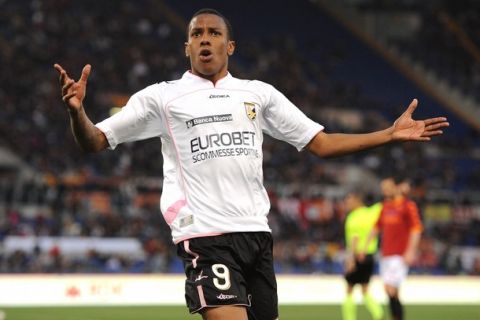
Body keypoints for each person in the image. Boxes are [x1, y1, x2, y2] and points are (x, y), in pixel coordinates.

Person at [53, 8, 448, 320]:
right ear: (187, 48)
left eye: (214, 34)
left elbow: (321, 143)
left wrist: (388, 134)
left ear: (231, 46)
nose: (205, 40)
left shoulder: (258, 94)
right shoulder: (162, 98)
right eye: (196, 34)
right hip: (205, 235)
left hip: (256, 235)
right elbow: (95, 141)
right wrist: (77, 113)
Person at [362, 177, 423, 320]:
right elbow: (376, 227)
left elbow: (416, 229)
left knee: (391, 289)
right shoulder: (385, 206)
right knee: (388, 290)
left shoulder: (408, 206)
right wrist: (364, 247)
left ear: (396, 186)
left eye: (387, 187)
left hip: (400, 254)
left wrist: (411, 251)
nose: (385, 191)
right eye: (383, 188)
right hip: (386, 254)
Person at [342, 191, 384, 320]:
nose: (346, 203)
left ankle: (349, 318)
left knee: (349, 290)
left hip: (357, 256)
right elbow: (384, 206)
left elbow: (353, 239)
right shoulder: (372, 212)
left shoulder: (353, 217)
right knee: (365, 289)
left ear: (357, 200)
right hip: (370, 256)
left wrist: (350, 260)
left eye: (349, 200)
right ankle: (379, 314)